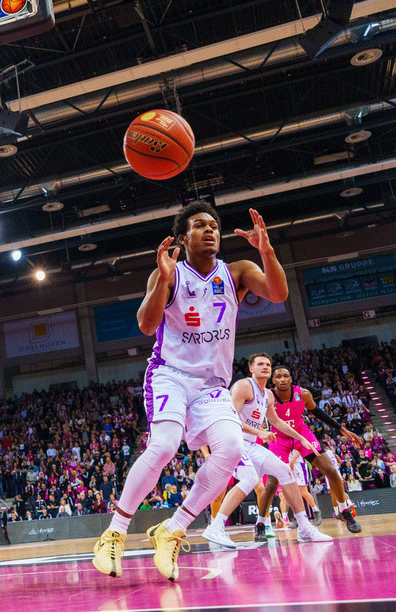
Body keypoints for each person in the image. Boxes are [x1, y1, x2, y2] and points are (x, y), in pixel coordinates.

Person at [92, 203, 288, 582]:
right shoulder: (167, 273)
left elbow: (278, 294)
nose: (210, 230)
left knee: (231, 450)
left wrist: (267, 250)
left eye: (214, 225)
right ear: (183, 237)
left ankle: (173, 528)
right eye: (200, 225)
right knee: (164, 445)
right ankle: (114, 531)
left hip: (212, 385)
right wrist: (163, 281)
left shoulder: (238, 272)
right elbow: (147, 326)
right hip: (171, 375)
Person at [200, 353, 331, 547]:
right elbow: (231, 419)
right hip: (232, 441)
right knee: (249, 480)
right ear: (251, 368)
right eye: (260, 364)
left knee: (285, 471)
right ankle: (215, 527)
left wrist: (301, 438)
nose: (265, 367)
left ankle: (304, 528)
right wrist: (259, 432)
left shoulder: (268, 395)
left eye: (268, 364)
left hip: (250, 444)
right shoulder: (243, 386)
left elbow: (276, 421)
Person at [257, 365, 364, 533]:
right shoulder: (266, 396)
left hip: (302, 435)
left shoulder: (303, 394)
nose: (282, 379)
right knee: (271, 483)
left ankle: (343, 511)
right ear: (273, 380)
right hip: (279, 439)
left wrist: (343, 430)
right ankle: (261, 523)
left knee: (331, 470)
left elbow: (320, 413)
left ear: (291, 379)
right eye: (278, 377)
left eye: (286, 376)